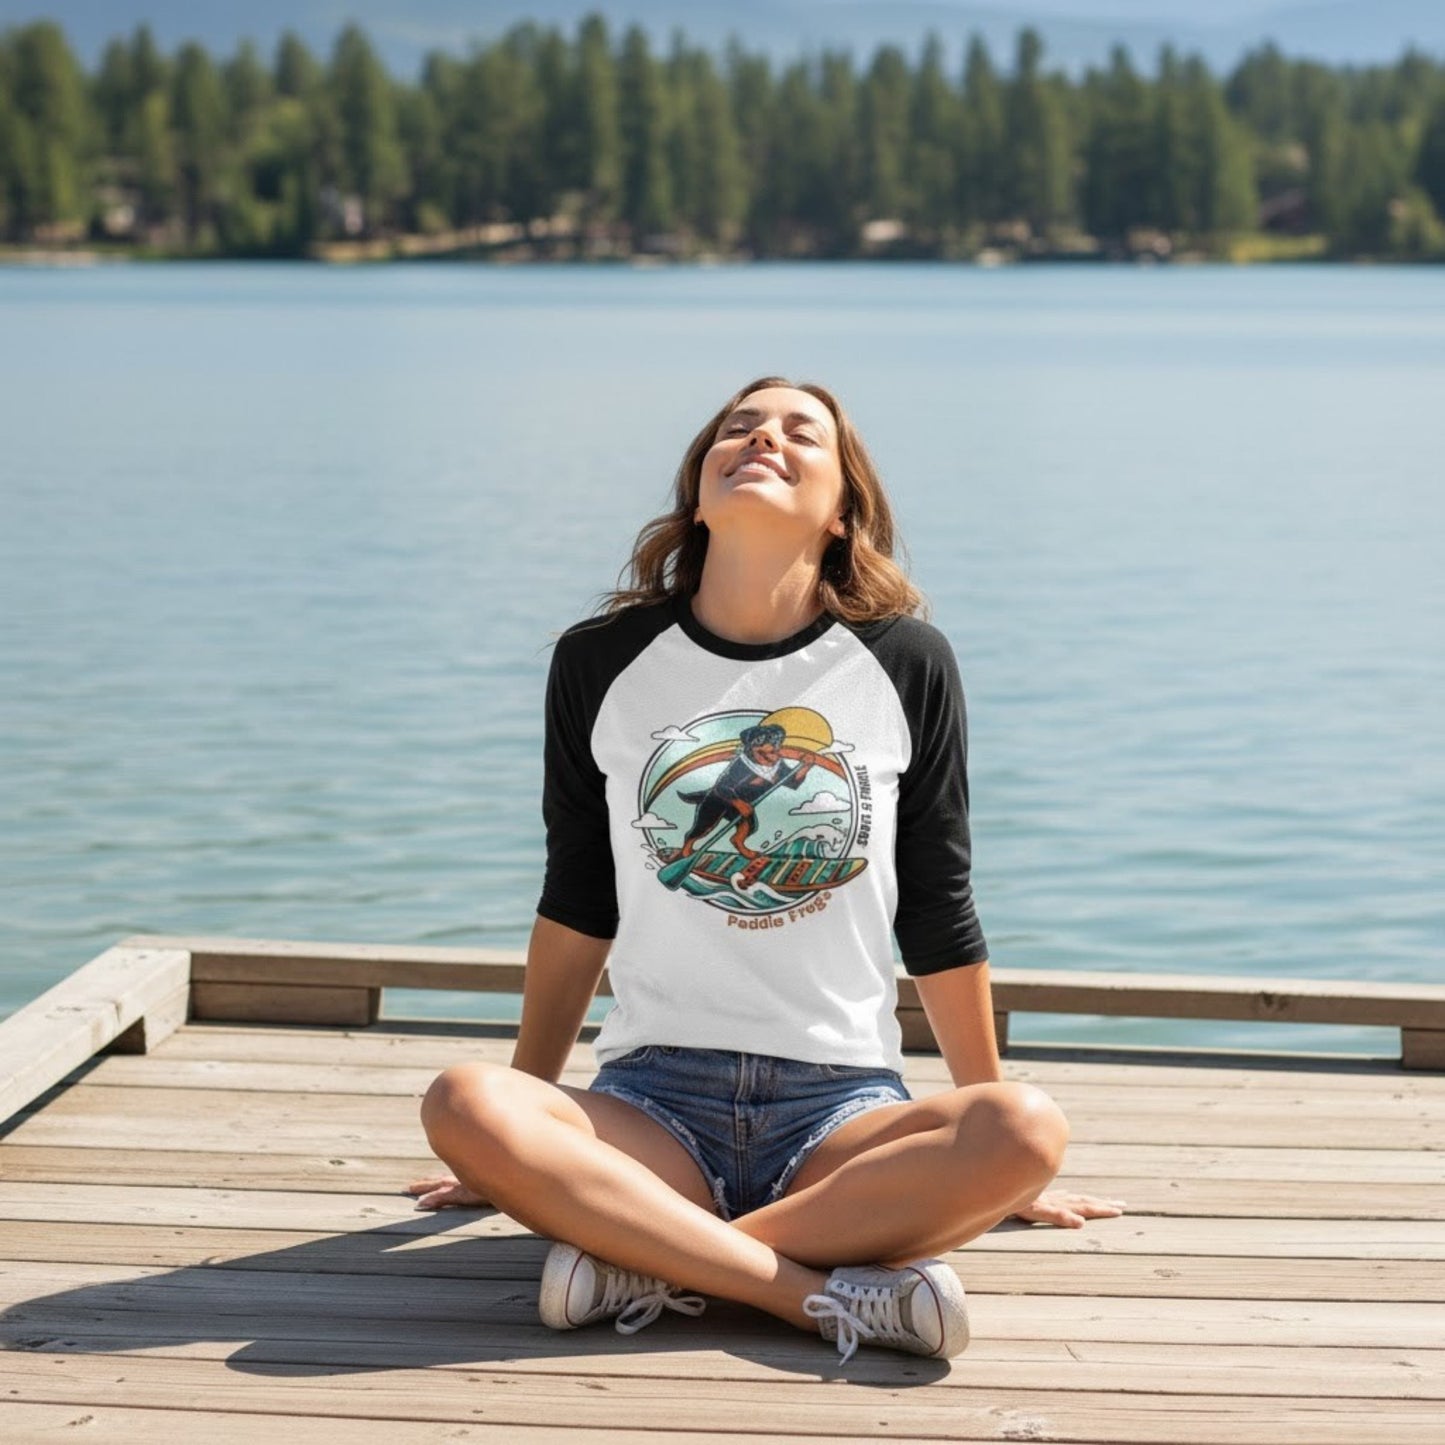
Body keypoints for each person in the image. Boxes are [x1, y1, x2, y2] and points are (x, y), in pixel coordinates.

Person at [411, 376, 1124, 1365]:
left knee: (1024, 1129)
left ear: (841, 513)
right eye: (738, 428)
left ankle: (647, 1259)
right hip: (651, 1105)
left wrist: (1005, 1169)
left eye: (799, 432)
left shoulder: (904, 660)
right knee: (465, 1100)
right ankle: (809, 1296)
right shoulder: (600, 659)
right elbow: (577, 900)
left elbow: (938, 907)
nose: (761, 438)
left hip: (841, 1113)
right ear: (698, 496)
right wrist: (515, 1130)